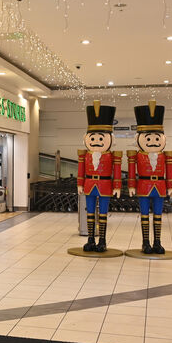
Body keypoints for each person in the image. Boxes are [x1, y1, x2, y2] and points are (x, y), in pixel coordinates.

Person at [128, 100, 172, 254]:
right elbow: (132, 170)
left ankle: (158, 242)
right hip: (143, 186)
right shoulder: (137, 155)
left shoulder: (165, 156)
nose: (153, 142)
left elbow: (169, 172)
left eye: (156, 138)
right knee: (144, 215)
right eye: (148, 138)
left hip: (160, 187)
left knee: (159, 215)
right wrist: (131, 186)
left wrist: (171, 187)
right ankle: (145, 242)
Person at [77, 100, 121, 253]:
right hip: (89, 184)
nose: (96, 141)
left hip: (105, 185)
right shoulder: (85, 155)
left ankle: (102, 240)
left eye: (100, 138)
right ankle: (90, 239)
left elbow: (116, 172)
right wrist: (79, 183)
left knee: (103, 213)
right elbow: (81, 170)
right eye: (93, 138)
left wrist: (117, 186)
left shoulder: (111, 156)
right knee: (89, 212)